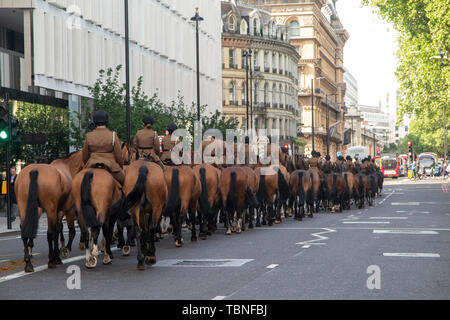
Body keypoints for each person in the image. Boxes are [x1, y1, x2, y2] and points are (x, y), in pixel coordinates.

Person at [82, 110, 125, 185]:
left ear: (95, 121)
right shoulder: (113, 135)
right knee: (124, 181)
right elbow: (119, 155)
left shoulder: (88, 135)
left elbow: (84, 155)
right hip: (110, 165)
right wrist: (121, 166)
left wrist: (87, 164)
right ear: (107, 121)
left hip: (91, 163)